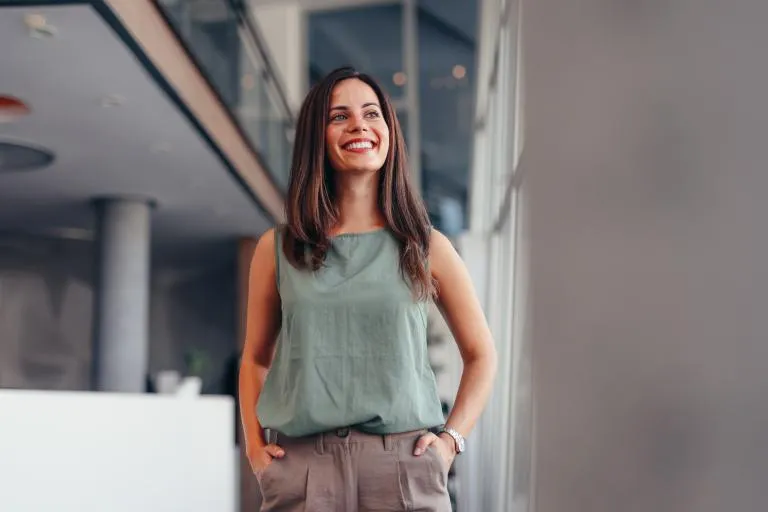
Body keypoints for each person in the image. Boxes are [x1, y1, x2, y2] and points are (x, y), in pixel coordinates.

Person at [238, 66, 497, 512]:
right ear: (316, 138)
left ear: (388, 131)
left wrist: (450, 442)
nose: (359, 125)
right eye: (339, 116)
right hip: (303, 469)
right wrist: (254, 447)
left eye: (371, 113)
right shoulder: (277, 248)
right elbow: (256, 359)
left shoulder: (426, 246)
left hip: (402, 468)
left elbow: (482, 355)